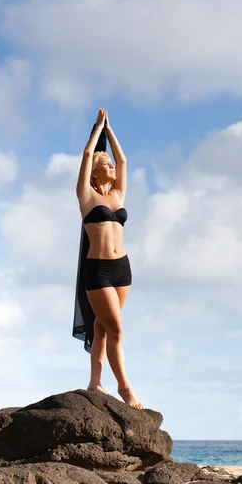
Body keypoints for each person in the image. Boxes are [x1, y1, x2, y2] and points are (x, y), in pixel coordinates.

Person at [76, 108, 143, 409]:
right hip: (98, 271)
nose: (112, 165)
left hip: (122, 270)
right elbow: (88, 154)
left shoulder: (118, 196)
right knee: (116, 328)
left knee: (103, 328)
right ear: (94, 171)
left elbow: (125, 160)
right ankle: (125, 388)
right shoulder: (86, 196)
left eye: (111, 163)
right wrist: (97, 131)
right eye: (106, 163)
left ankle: (95, 382)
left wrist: (110, 129)